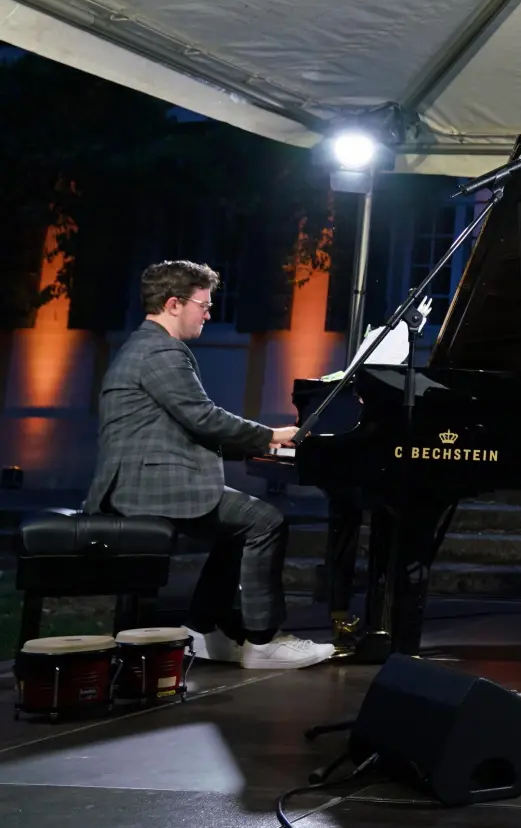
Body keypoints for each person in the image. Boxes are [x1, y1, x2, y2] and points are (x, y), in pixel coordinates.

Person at [84, 261, 336, 670]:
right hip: (145, 487)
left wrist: (258, 445)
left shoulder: (144, 347)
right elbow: (203, 417)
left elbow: (186, 426)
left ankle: (205, 629)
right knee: (265, 521)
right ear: (172, 304)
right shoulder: (162, 350)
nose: (209, 313)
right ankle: (263, 641)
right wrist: (271, 436)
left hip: (140, 481)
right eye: (203, 304)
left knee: (237, 529)